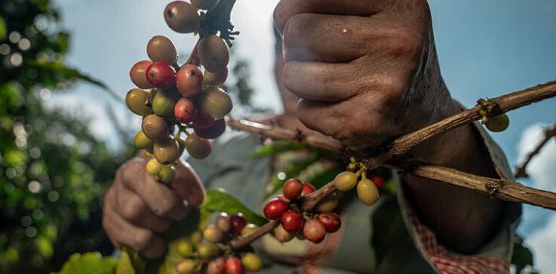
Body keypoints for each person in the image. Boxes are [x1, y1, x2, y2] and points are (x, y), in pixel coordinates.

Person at [103, 0, 520, 273]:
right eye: (294, 43)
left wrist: (429, 127)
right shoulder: (222, 150)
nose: (318, 52)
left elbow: (475, 229)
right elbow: (172, 241)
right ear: (273, 63)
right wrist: (145, 216)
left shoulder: (394, 144)